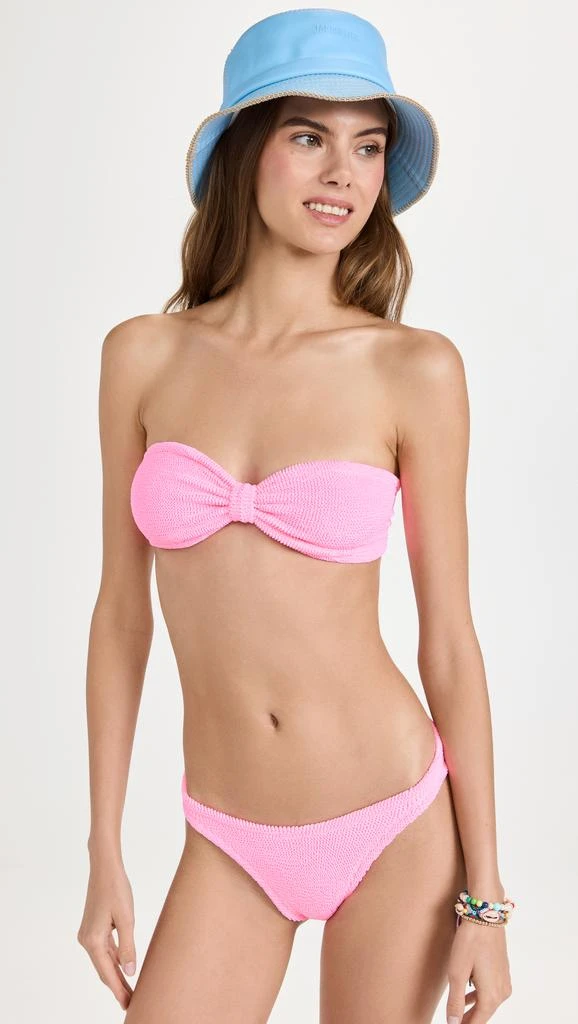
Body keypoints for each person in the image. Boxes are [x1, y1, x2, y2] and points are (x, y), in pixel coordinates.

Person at [77, 8, 515, 1022]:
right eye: (310, 136)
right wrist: (104, 849)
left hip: (392, 820)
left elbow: (449, 640)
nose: (343, 175)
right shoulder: (141, 355)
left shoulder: (413, 369)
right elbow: (120, 616)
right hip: (227, 834)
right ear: (244, 150)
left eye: (368, 146)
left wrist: (486, 900)